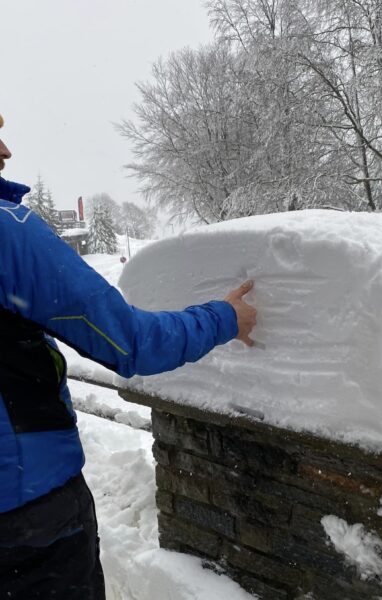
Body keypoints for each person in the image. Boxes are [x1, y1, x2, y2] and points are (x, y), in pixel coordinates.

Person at [0, 115, 257, 599]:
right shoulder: (6, 233)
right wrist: (226, 318)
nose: (6, 150)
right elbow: (129, 341)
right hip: (27, 518)